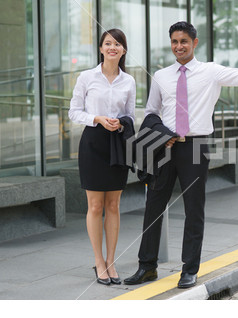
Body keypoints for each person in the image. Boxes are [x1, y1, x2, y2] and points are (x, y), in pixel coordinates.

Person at [124, 21, 238, 288]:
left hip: (195, 145)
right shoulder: (162, 76)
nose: (179, 46)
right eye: (175, 42)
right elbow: (152, 111)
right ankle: (147, 266)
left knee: (193, 208)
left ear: (194, 43)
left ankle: (189, 269)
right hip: (163, 147)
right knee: (154, 206)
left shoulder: (211, 71)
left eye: (184, 42)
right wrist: (162, 133)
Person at [69, 29, 136, 286]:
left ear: (123, 51)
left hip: (117, 145)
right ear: (101, 48)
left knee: (113, 206)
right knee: (95, 206)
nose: (112, 47)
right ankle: (98, 262)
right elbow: (74, 112)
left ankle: (111, 261)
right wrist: (96, 118)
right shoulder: (87, 77)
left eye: (117, 44)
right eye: (108, 43)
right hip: (93, 143)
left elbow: (131, 115)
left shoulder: (128, 81)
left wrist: (120, 123)